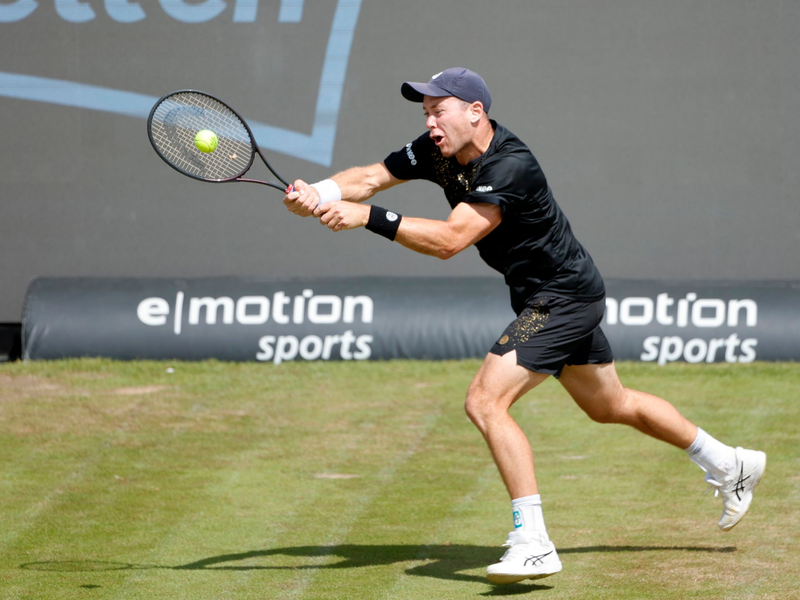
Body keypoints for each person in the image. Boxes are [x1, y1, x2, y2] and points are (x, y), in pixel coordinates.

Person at [282, 68, 766, 584]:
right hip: (550, 293)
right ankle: (730, 462)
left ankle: (532, 542)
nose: (430, 122)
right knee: (611, 406)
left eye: (438, 109)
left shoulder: (510, 166)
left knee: (485, 401)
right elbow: (371, 176)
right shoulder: (436, 147)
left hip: (562, 297)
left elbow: (450, 240)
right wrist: (320, 190)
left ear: (475, 112)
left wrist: (368, 218)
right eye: (425, 112)